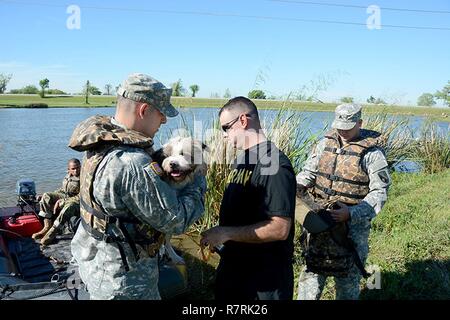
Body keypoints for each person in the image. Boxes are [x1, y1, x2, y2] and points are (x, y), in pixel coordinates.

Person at [68, 73, 206, 300]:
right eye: (162, 114)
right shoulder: (132, 163)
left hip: (95, 263)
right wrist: (199, 176)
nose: (164, 121)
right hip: (126, 283)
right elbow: (177, 220)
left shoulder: (101, 141)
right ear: (144, 110)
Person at [200, 96, 296, 300]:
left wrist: (225, 233)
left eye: (226, 127)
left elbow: (280, 228)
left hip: (264, 283)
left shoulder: (274, 164)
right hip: (235, 274)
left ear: (243, 121)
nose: (224, 135)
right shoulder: (243, 158)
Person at [296, 103, 391, 300]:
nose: (342, 131)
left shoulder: (372, 154)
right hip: (319, 221)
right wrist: (293, 188)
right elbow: (308, 173)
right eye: (339, 126)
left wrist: (351, 213)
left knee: (348, 276)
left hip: (351, 229)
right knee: (311, 272)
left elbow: (379, 192)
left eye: (348, 127)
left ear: (360, 123)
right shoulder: (324, 145)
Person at [32, 158, 81, 245]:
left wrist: (63, 201)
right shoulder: (68, 176)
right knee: (46, 196)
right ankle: (47, 227)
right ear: (68, 169)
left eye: (78, 167)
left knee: (68, 207)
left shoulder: (83, 178)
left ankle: (52, 232)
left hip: (77, 201)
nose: (76, 170)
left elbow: (82, 196)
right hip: (66, 197)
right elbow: (63, 190)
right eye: (73, 168)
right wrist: (50, 195)